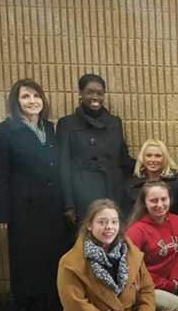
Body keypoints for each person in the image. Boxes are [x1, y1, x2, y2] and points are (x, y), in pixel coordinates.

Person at [0, 79, 70, 311]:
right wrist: (1, 214)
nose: (32, 101)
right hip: (23, 210)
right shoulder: (3, 133)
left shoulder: (50, 128)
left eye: (36, 96)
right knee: (27, 263)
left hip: (52, 209)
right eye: (25, 96)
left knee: (50, 260)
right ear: (16, 101)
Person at [57, 73, 134, 224]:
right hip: (82, 193)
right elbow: (63, 165)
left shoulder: (114, 122)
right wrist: (68, 204)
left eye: (99, 93)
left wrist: (149, 166)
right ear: (80, 94)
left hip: (112, 190)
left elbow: (123, 158)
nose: (95, 97)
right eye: (90, 92)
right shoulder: (67, 124)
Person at [126, 181, 178, 311]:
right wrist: (167, 285)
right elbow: (133, 271)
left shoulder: (176, 221)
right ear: (145, 203)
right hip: (144, 287)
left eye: (163, 199)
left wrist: (175, 278)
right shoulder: (136, 231)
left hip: (170, 284)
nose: (160, 205)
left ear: (170, 199)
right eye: (154, 201)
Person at [123, 139, 178, 217]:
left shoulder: (177, 180)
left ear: (164, 158)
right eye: (149, 155)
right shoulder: (132, 182)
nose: (153, 160)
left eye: (158, 156)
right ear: (142, 158)